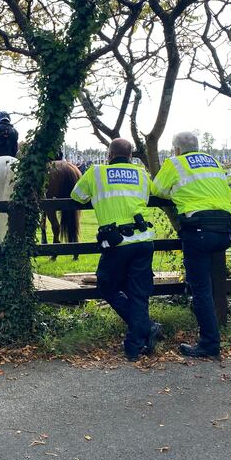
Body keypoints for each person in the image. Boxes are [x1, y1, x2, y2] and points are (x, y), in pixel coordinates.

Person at [70, 138, 162, 361]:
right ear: (131, 156)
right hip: (143, 240)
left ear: (109, 155)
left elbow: (77, 195)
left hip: (117, 242)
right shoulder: (141, 174)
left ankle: (144, 330)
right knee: (138, 292)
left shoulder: (97, 172)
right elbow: (151, 194)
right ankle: (136, 343)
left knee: (106, 285)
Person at [152, 131, 231, 360]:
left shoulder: (175, 163)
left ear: (177, 149)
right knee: (209, 285)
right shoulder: (213, 162)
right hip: (225, 230)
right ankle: (211, 335)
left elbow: (157, 190)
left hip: (199, 230)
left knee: (201, 289)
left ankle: (209, 343)